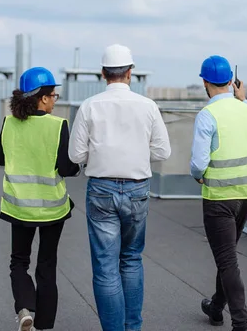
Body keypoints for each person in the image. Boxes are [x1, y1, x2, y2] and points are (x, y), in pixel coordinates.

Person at [68, 44, 171, 331]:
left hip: (101, 189)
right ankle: (132, 327)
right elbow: (163, 152)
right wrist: (136, 151)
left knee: (105, 265)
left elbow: (75, 156)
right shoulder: (148, 106)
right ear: (130, 72)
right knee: (132, 259)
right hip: (137, 189)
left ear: (103, 74)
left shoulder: (89, 106)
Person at [0, 67, 81, 331]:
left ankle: (24, 309)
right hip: (52, 209)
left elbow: (1, 158)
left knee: (19, 261)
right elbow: (67, 168)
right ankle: (44, 323)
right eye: (53, 95)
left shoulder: (9, 123)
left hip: (18, 206)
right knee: (47, 263)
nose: (55, 100)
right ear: (42, 98)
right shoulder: (57, 126)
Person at [190, 55, 247, 331]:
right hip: (246, 196)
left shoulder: (207, 115)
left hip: (219, 198)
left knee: (227, 261)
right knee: (227, 257)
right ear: (232, 82)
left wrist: (198, 176)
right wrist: (243, 99)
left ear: (205, 82)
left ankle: (241, 324)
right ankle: (215, 307)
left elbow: (199, 163)